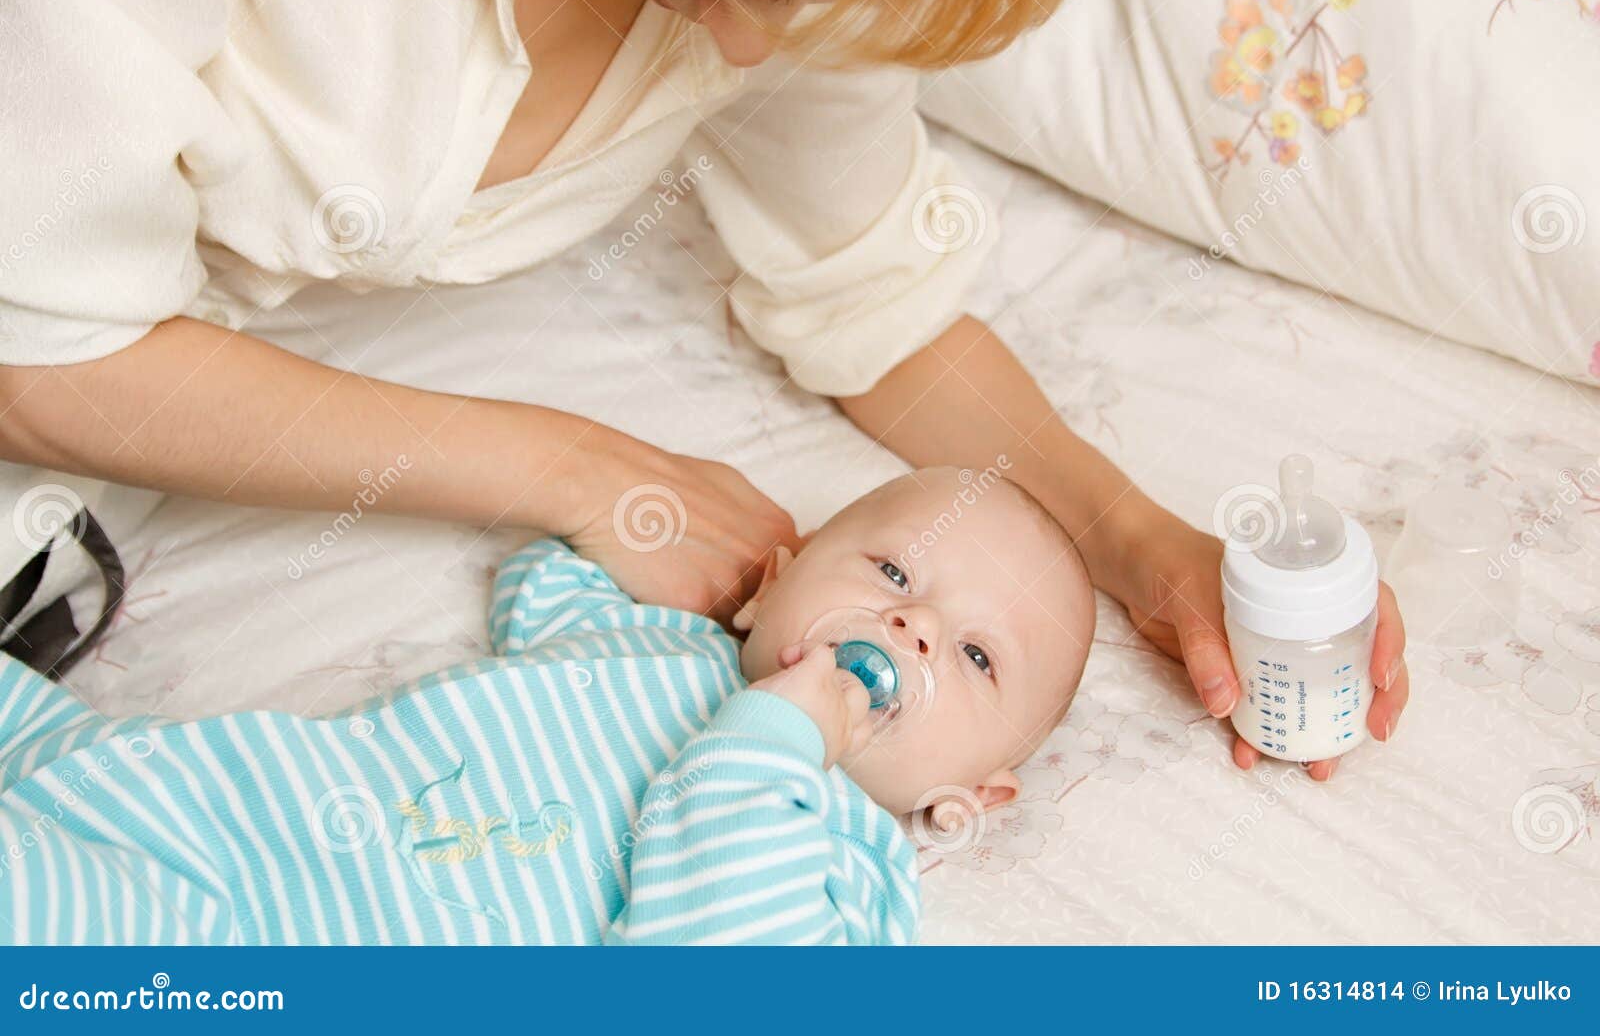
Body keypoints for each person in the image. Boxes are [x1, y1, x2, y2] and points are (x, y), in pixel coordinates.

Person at [0, 0, 1405, 778]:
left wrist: (1138, 539)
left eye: (812, 2)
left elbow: (868, 295)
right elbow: (37, 343)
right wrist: (576, 469)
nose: (745, 54)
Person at [0, 469, 1091, 945]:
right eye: (894, 575)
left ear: (968, 798)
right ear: (771, 581)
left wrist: (783, 736)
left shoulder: (846, 872)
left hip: (247, 945)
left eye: (978, 656)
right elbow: (545, 577)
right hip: (199, 794)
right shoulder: (649, 636)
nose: (911, 630)